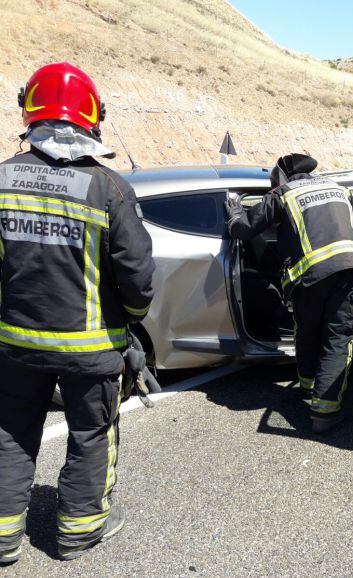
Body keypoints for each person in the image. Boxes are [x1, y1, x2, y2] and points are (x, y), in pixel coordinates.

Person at [0, 63, 154, 564]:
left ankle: (3, 541)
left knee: (11, 432)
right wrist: (129, 321)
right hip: (90, 351)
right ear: (91, 117)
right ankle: (78, 532)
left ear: (30, 111)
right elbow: (136, 278)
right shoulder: (108, 188)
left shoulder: (2, 178)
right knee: (91, 435)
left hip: (15, 346)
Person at [225, 153, 353, 433]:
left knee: (308, 332)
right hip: (345, 275)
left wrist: (234, 210)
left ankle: (307, 388)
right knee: (337, 339)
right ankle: (325, 411)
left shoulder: (283, 195)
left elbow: (242, 229)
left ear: (281, 176)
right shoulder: (339, 190)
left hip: (306, 281)